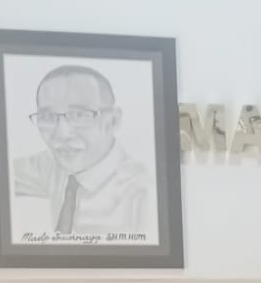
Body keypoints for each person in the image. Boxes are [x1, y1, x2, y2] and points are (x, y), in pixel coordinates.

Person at [11, 65, 154, 239]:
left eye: (79, 115)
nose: (62, 134)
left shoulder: (144, 195)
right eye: (48, 117)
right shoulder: (52, 166)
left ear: (113, 121)